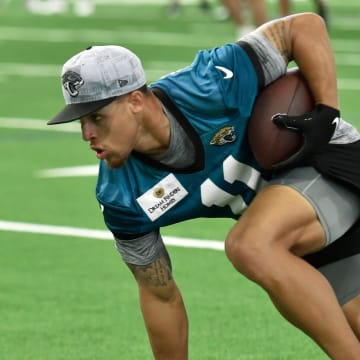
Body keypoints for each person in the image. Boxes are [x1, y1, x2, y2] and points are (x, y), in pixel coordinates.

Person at [48, 12, 360, 359]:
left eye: (97, 117)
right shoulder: (121, 197)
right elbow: (159, 296)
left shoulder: (210, 83)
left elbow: (304, 26)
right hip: (297, 222)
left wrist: (327, 110)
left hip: (328, 163)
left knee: (250, 246)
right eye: (81, 121)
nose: (87, 134)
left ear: (135, 101)